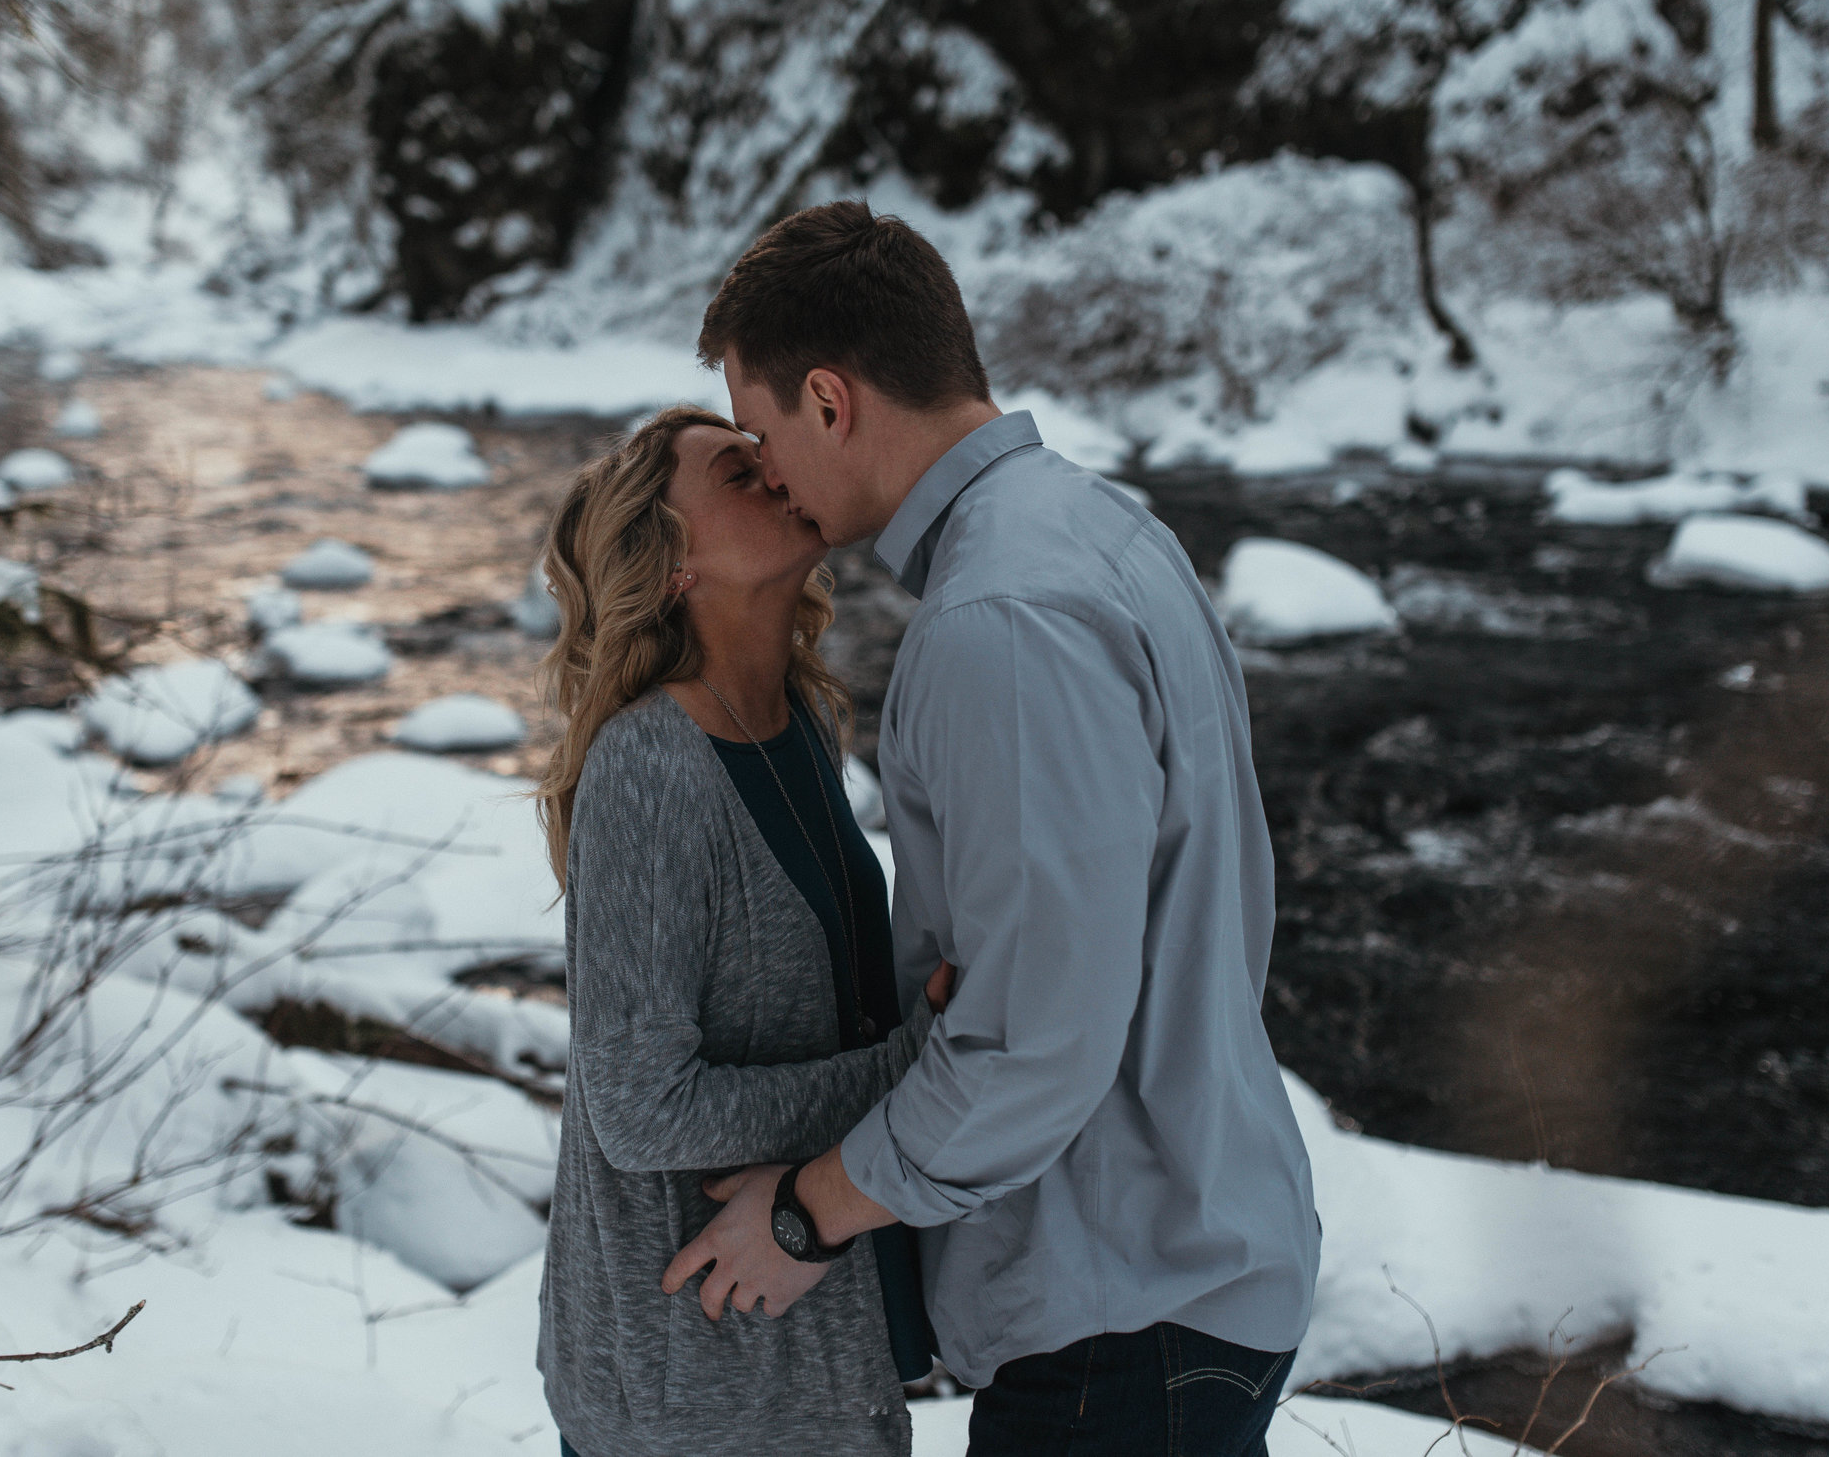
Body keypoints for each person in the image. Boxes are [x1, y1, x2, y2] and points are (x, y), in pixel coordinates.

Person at [664, 201, 1323, 1457]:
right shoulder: (1103, 530)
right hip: (1183, 1268)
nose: (770, 473)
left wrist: (810, 1213)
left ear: (829, 397)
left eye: (762, 433)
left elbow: (1036, 1040)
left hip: (1122, 1311)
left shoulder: (998, 623)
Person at [533, 404, 956, 1457]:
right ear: (672, 563)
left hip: (802, 1359)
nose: (776, 471)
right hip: (691, 1391)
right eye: (736, 471)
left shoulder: (796, 726)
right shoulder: (651, 765)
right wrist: (916, 1068)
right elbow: (640, 1107)